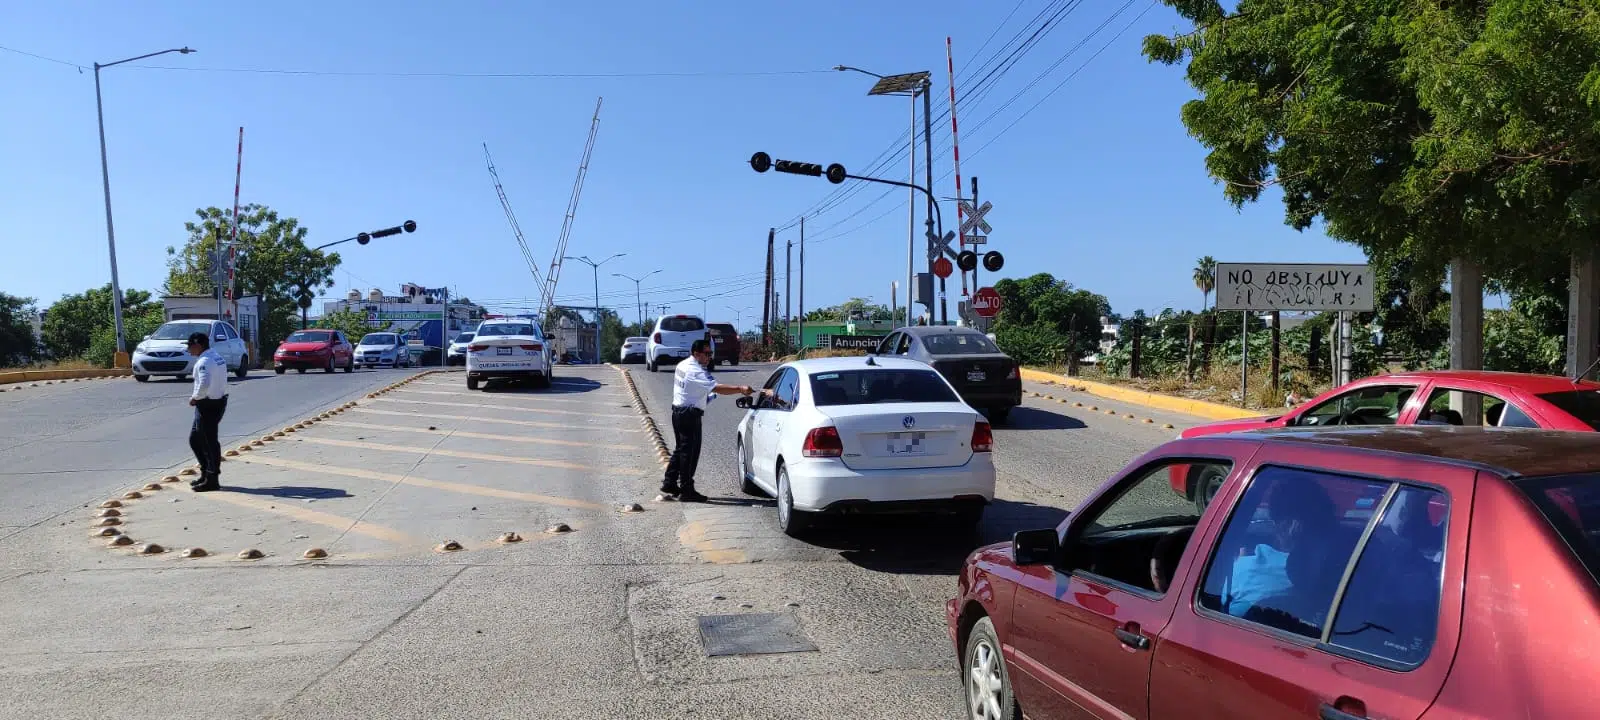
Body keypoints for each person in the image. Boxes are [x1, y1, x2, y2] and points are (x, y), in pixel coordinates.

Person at [662, 339, 752, 502]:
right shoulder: (696, 371)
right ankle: (687, 490)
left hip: (679, 412)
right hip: (689, 415)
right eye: (707, 354)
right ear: (696, 354)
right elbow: (717, 387)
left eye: (711, 353)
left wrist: (706, 398)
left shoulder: (682, 365)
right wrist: (740, 389)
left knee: (681, 450)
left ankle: (669, 483)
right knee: (689, 453)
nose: (710, 357)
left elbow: (692, 390)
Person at [186, 331, 229, 492]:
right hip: (218, 400)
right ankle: (206, 473)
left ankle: (212, 478)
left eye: (190, 346)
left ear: (198, 345)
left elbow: (204, 382)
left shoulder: (204, 361)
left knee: (207, 442)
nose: (189, 350)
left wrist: (195, 397)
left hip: (208, 404)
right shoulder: (216, 357)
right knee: (196, 440)